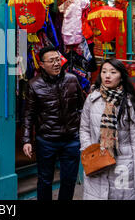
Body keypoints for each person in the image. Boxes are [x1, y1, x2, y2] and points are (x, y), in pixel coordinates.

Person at [80, 58, 135, 200]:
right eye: (104, 72)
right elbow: (84, 129)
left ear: (121, 76)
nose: (107, 76)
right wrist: (89, 149)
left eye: (113, 72)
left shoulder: (130, 103)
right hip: (96, 165)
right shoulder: (92, 99)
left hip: (122, 167)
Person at [22, 45, 85, 200]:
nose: (56, 63)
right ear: (42, 64)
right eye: (51, 61)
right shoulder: (34, 85)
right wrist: (26, 140)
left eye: (58, 59)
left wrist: (81, 131)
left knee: (69, 180)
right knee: (44, 180)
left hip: (71, 139)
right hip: (46, 140)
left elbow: (82, 108)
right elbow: (29, 115)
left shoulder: (72, 79)